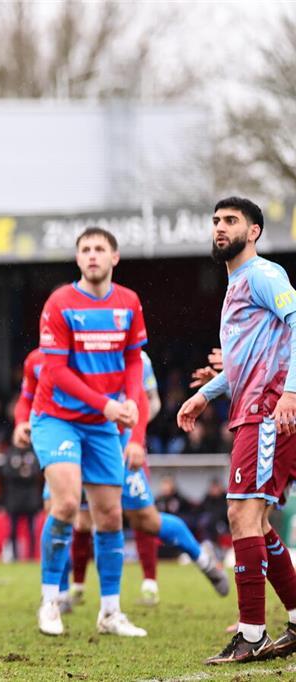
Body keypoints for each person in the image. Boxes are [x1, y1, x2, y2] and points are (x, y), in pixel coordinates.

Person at [14, 348, 227, 613]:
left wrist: (136, 440)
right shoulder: (40, 359)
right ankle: (61, 593)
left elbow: (143, 400)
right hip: (66, 441)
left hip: (115, 444)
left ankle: (203, 560)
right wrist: (21, 422)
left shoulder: (123, 354)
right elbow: (28, 398)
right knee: (61, 512)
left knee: (145, 520)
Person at [176, 196, 296, 664]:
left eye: (231, 221)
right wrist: (208, 392)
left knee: (242, 517)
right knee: (257, 521)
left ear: (255, 231)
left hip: (269, 410)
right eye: (216, 222)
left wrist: (290, 393)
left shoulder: (264, 275)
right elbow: (253, 356)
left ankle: (251, 635)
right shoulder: (236, 286)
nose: (220, 228)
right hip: (254, 407)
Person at [30, 227, 147, 638]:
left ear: (115, 257)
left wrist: (131, 399)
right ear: (78, 259)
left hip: (101, 423)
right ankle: (50, 601)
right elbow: (56, 371)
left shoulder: (129, 302)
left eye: (100, 249)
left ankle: (111, 612)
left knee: (111, 514)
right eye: (85, 249)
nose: (93, 255)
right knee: (64, 504)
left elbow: (134, 360)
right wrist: (108, 405)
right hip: (56, 417)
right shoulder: (60, 302)